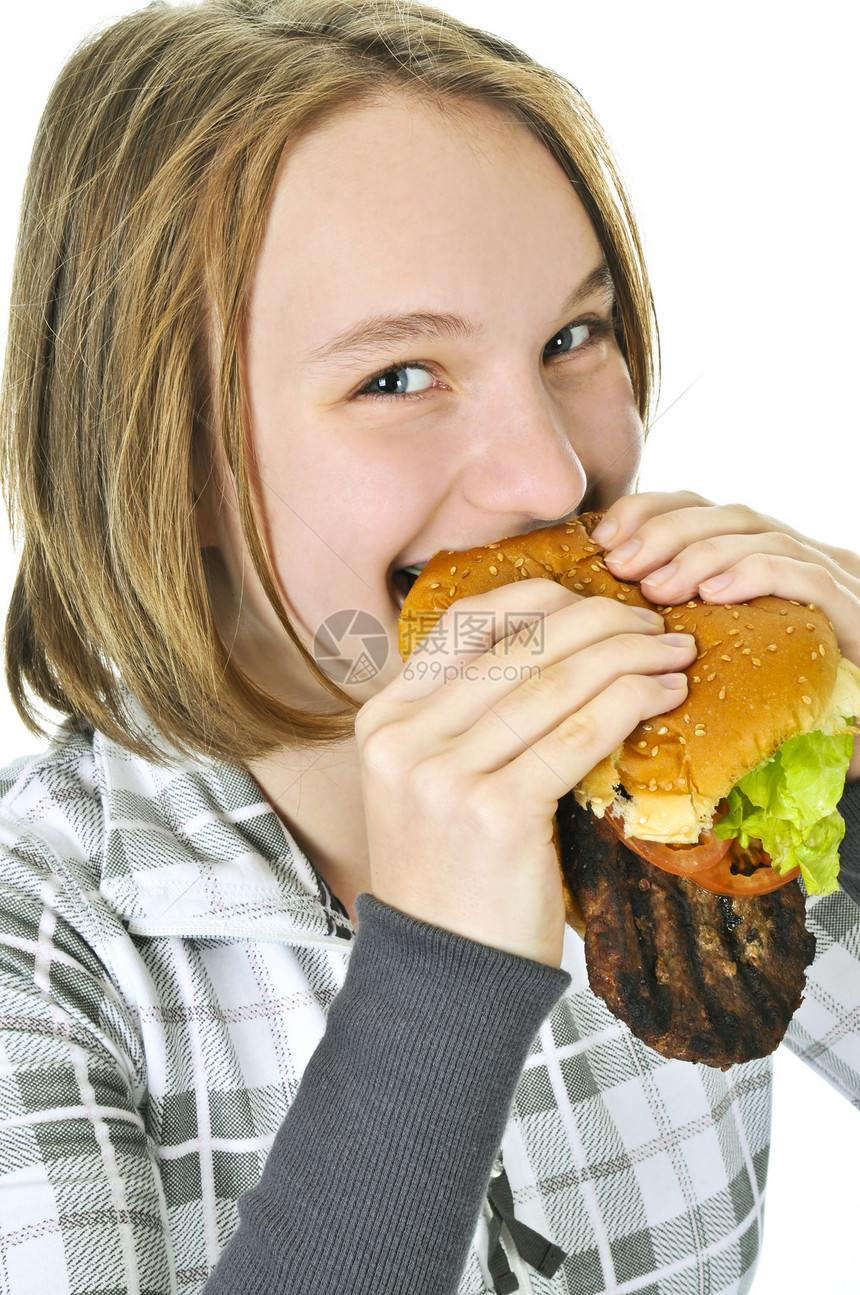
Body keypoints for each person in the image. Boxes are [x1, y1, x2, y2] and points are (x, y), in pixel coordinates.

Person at [0, 2, 858, 1293]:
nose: (550, 475)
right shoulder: (42, 952)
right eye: (397, 376)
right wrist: (443, 977)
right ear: (156, 458)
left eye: (574, 338)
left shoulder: (683, 780)